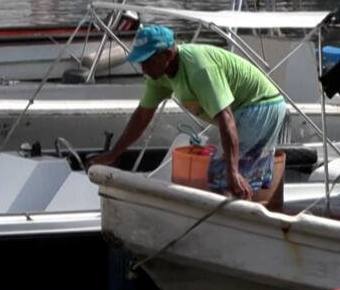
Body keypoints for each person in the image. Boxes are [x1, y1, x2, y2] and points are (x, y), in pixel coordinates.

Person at [86, 25, 285, 200]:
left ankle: (235, 226)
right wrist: (113, 154)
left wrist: (232, 170)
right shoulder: (159, 76)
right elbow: (142, 117)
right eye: (140, 62)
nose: (143, 69)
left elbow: (226, 118)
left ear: (167, 55)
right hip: (245, 111)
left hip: (261, 104)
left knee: (223, 175)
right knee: (229, 175)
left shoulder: (198, 68)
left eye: (147, 61)